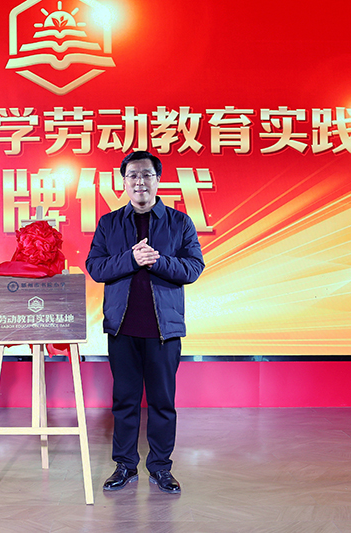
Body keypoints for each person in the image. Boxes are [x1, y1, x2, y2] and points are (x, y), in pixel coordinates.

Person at [85, 151, 205, 494]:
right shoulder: (109, 223)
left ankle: (161, 467)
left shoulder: (179, 222)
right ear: (124, 182)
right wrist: (131, 258)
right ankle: (125, 466)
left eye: (147, 175)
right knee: (124, 402)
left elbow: (193, 268)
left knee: (162, 403)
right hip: (122, 328)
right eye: (133, 175)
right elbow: (96, 267)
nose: (140, 181)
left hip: (164, 331)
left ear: (158, 180)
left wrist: (158, 261)